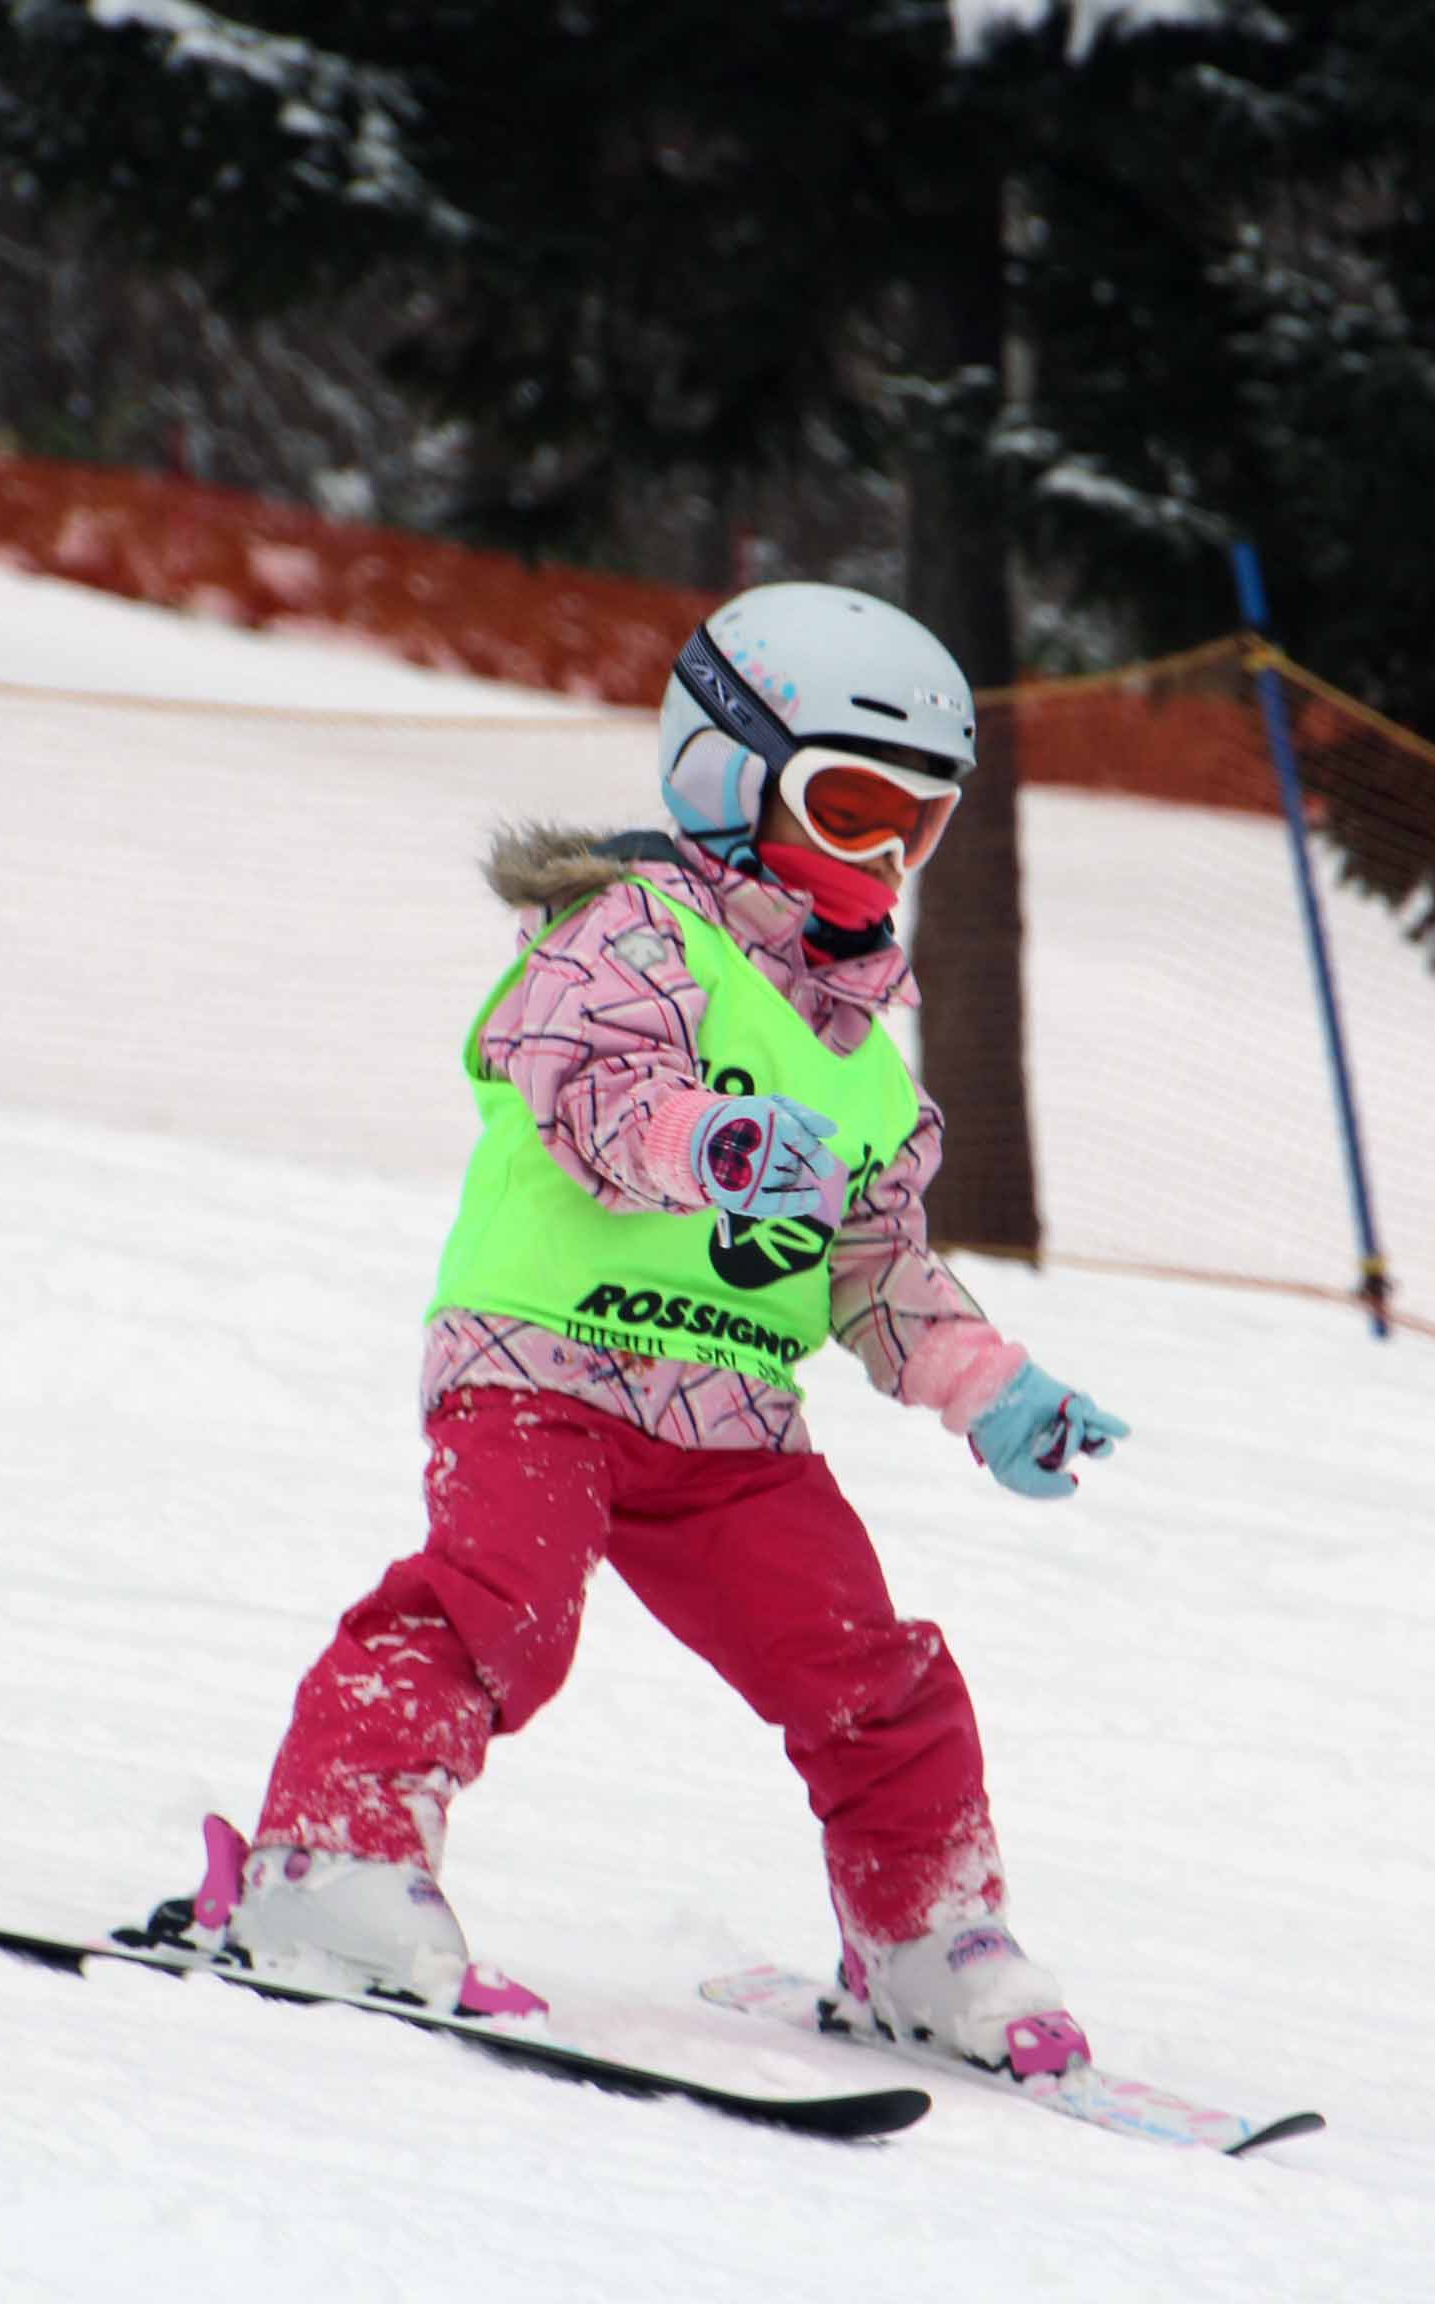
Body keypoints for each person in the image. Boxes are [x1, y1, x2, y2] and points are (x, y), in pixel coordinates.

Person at [174, 582, 1130, 2080]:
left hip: (730, 1421)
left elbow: (873, 1267)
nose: (881, 859)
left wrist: (988, 1386)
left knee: (871, 1675)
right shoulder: (624, 936)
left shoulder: (866, 1067)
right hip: (541, 1365)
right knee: (498, 1608)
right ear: (727, 774)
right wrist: (715, 1142)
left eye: (918, 826)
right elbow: (594, 1097)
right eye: (851, 808)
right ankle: (332, 1860)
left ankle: (926, 1936)